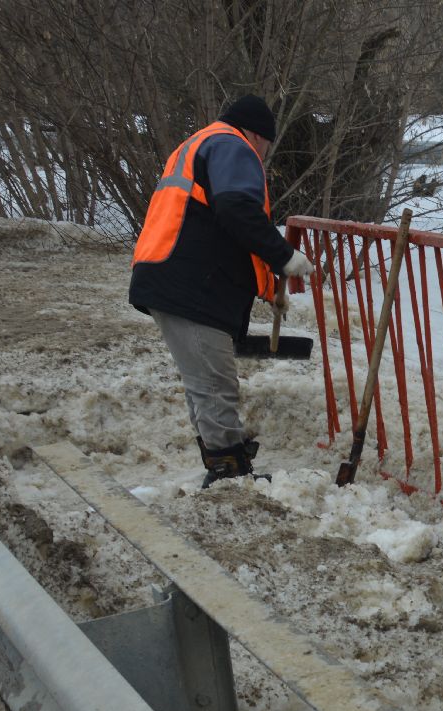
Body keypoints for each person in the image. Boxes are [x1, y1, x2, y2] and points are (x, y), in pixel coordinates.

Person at [129, 94, 313, 487]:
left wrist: (267, 288)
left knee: (203, 381)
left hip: (170, 276)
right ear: (256, 136)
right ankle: (230, 474)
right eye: (265, 147)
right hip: (191, 287)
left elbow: (217, 224)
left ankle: (222, 460)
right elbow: (235, 209)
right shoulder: (234, 146)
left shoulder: (200, 143)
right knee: (215, 383)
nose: (261, 158)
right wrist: (284, 256)